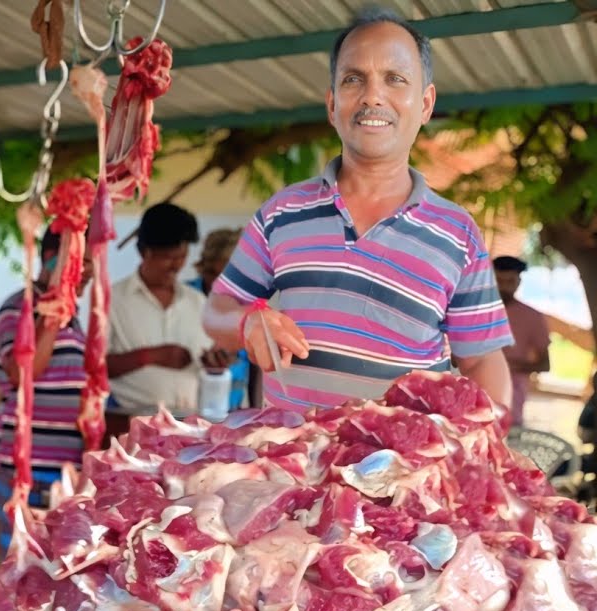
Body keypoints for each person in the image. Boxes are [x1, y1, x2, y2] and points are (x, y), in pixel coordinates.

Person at [201, 9, 512, 411]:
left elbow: (483, 358)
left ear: (426, 104)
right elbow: (217, 309)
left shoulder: (458, 233)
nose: (372, 96)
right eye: (353, 79)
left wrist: (491, 442)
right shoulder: (282, 212)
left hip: (403, 468)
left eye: (395, 79)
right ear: (332, 105)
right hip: (291, 465)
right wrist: (246, 325)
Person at [0, 228, 93, 554]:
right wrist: (53, 308)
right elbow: (23, 374)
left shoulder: (73, 317)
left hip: (62, 468)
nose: (89, 271)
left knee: (51, 567)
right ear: (52, 260)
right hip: (27, 469)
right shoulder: (18, 307)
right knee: (20, 564)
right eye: (83, 261)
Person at [106, 202, 230, 411]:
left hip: (190, 420)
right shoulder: (112, 299)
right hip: (130, 419)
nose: (176, 266)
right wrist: (151, 356)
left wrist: (215, 364)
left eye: (182, 257)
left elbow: (207, 364)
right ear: (145, 252)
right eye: (169, 257)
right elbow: (94, 366)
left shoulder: (197, 302)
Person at [188, 227, 255, 410]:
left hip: (233, 410)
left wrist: (255, 412)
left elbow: (255, 366)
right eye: (212, 273)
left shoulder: (247, 307)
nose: (217, 284)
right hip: (190, 409)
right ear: (202, 268)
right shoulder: (185, 298)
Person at [493, 255, 551, 426]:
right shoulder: (475, 310)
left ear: (519, 282)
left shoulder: (532, 317)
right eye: (499, 281)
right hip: (469, 399)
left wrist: (504, 365)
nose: (503, 287)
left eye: (509, 281)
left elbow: (545, 364)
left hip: (511, 403)